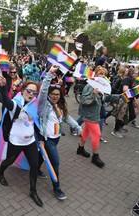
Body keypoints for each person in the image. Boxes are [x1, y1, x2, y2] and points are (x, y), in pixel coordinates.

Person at [0, 74, 43, 207]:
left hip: (30, 142)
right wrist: (3, 87)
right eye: (29, 91)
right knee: (9, 160)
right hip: (15, 141)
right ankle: (0, 172)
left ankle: (33, 191)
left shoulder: (35, 106)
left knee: (34, 165)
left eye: (34, 92)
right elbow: (5, 100)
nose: (31, 94)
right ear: (22, 91)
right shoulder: (16, 105)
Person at [38, 65, 82, 200]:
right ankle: (57, 188)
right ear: (49, 95)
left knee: (42, 156)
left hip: (56, 138)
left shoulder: (60, 106)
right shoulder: (44, 104)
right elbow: (43, 90)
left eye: (57, 94)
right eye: (53, 94)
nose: (55, 96)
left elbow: (67, 118)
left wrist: (78, 128)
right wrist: (50, 74)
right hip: (48, 139)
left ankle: (36, 168)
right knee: (55, 163)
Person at [77, 82, 105, 168]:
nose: (103, 76)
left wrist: (119, 97)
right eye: (101, 73)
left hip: (93, 115)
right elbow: (83, 100)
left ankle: (80, 149)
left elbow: (104, 99)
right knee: (97, 134)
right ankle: (95, 156)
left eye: (104, 74)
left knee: (86, 131)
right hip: (89, 115)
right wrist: (93, 94)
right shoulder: (90, 86)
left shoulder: (101, 86)